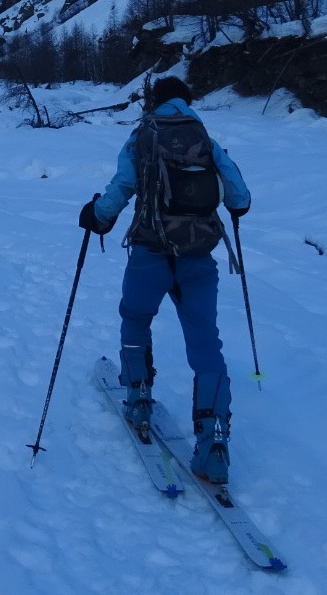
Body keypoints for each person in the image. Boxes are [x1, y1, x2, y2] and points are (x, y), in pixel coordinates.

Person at [79, 75, 251, 483]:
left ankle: (138, 397)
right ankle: (214, 442)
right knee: (205, 341)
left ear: (153, 102)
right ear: (188, 102)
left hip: (150, 250)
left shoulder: (142, 136)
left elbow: (122, 187)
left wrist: (97, 217)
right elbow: (239, 197)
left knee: (136, 317)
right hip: (198, 254)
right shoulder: (205, 138)